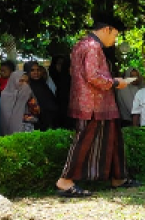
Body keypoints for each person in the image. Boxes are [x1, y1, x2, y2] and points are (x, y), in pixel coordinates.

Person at [56, 21, 136, 197]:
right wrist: (115, 82)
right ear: (107, 29)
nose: (115, 39)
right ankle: (65, 180)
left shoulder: (80, 44)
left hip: (93, 101)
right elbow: (92, 75)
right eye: (115, 34)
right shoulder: (93, 46)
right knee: (84, 140)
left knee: (113, 136)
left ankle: (118, 177)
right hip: (93, 103)